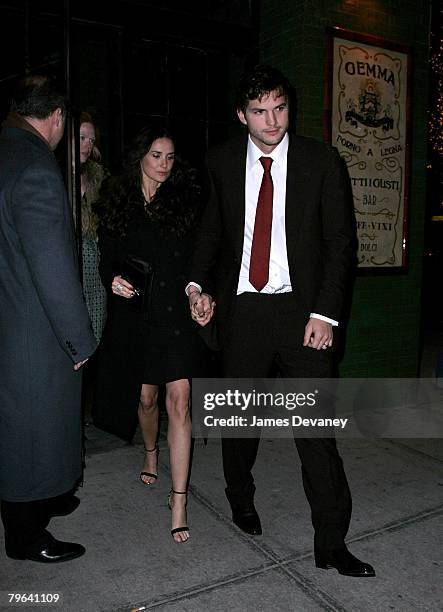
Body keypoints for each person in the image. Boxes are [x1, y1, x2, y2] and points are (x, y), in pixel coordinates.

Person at [187, 65, 375, 577]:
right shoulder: (222, 162)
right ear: (241, 115)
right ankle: (240, 496)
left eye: (280, 108)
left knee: (316, 433)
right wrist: (196, 286)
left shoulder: (320, 161)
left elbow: (341, 245)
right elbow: (210, 233)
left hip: (304, 314)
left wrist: (326, 313)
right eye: (259, 111)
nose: (272, 121)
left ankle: (332, 542)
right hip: (244, 312)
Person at [0, 75, 97, 563]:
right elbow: (53, 266)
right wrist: (79, 341)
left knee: (23, 429)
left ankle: (47, 499)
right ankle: (24, 536)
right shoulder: (36, 166)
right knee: (29, 433)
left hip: (10, 313)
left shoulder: (5, 150)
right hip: (31, 330)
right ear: (56, 116)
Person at [93, 123, 206, 543]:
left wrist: (199, 290)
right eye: (156, 155)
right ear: (141, 154)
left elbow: (200, 256)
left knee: (179, 401)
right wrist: (113, 279)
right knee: (146, 397)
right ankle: (151, 450)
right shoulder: (118, 199)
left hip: (175, 315)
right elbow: (108, 257)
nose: (163, 165)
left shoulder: (184, 200)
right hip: (136, 314)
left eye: (170, 157)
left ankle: (178, 500)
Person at [77, 111, 108, 343]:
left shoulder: (99, 178)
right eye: (81, 138)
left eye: (91, 140)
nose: (87, 145)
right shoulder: (51, 174)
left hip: (95, 271)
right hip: (66, 265)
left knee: (94, 337)